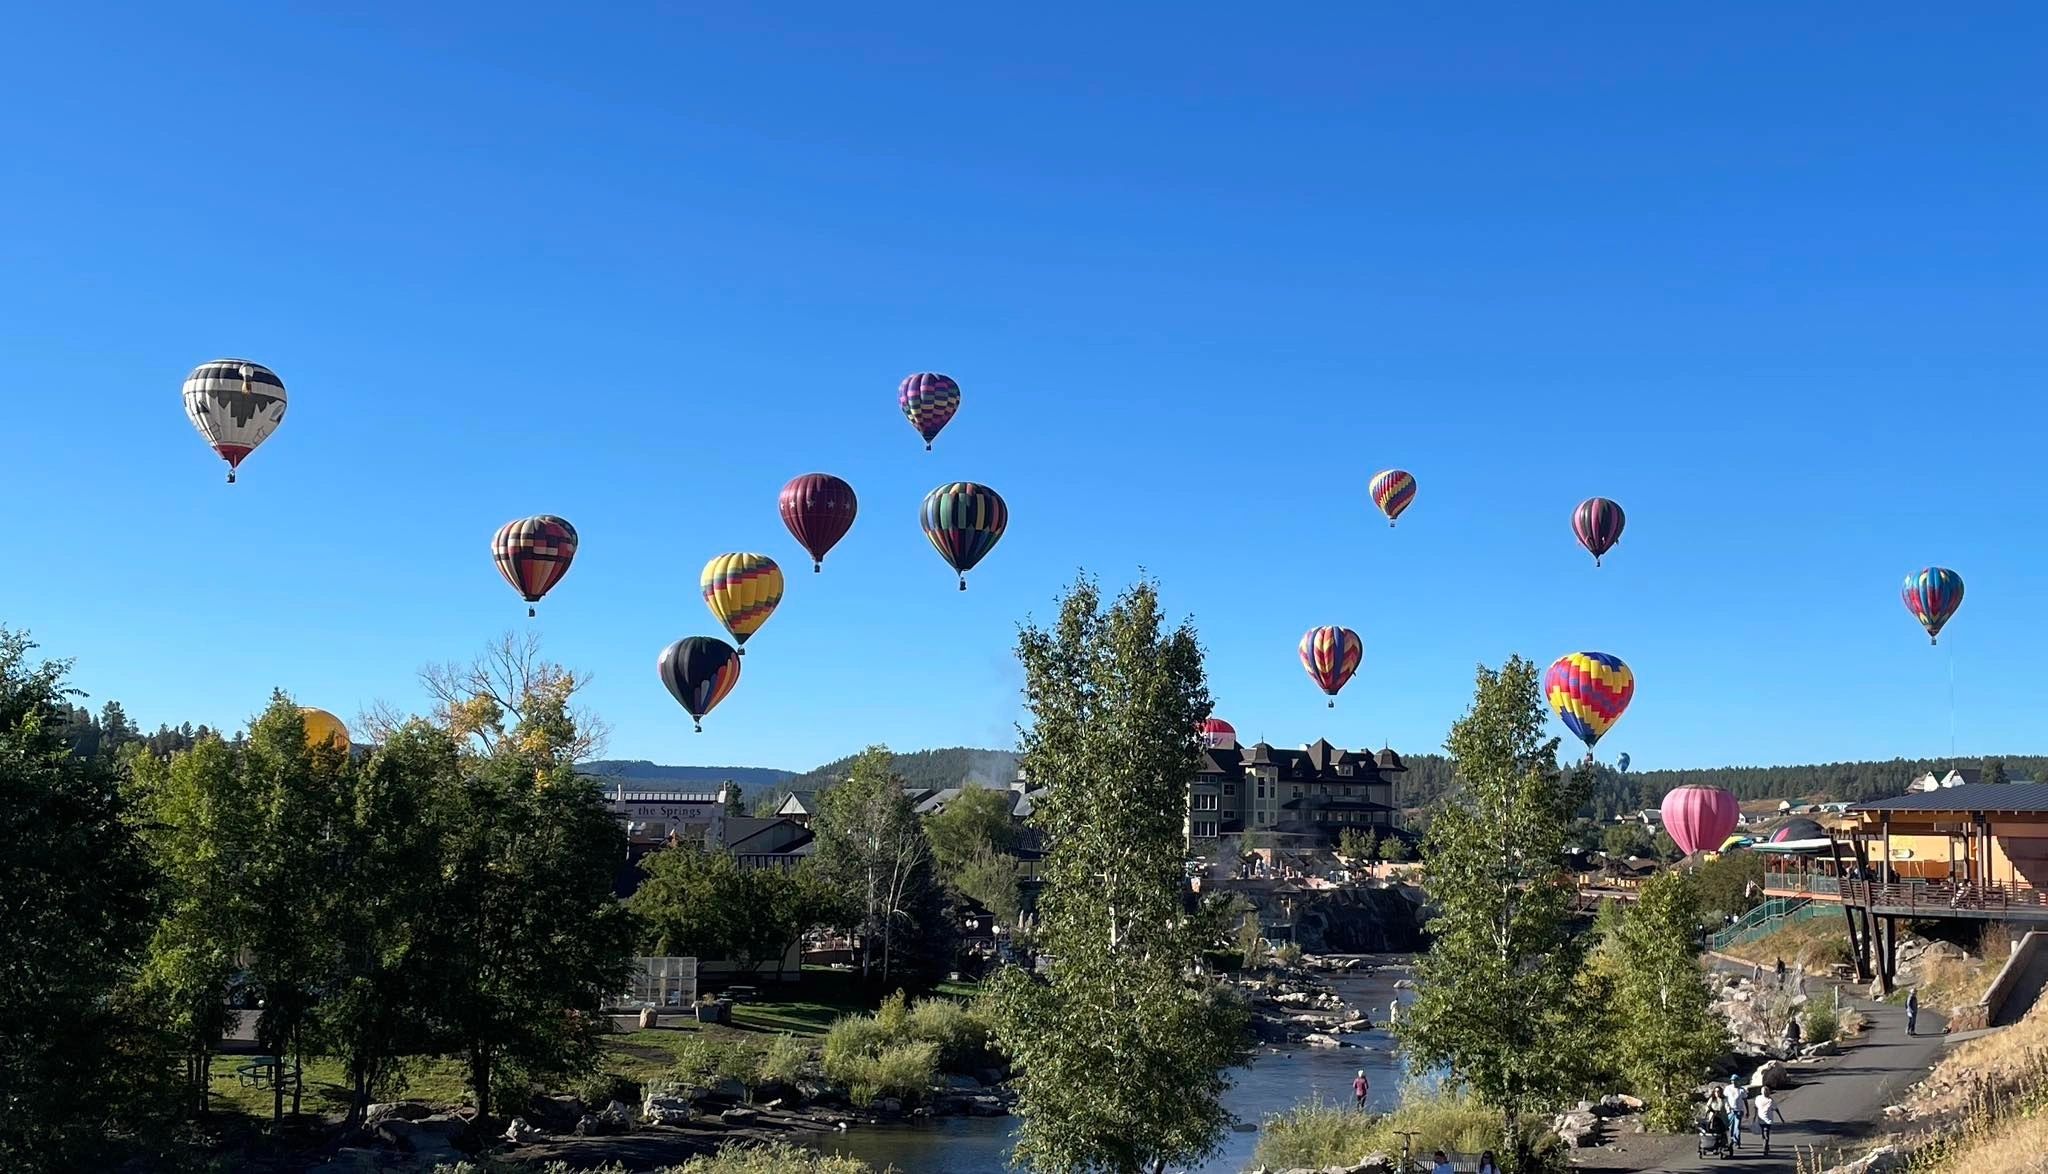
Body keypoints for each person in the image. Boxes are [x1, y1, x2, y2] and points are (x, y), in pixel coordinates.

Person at [1754, 1089, 1786, 1154]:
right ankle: (1766, 1144)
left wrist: (1781, 1118)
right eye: (1764, 1092)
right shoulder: (1759, 1098)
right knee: (1764, 1134)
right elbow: (1756, 1107)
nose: (1765, 1093)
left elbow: (1776, 1109)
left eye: (1766, 1092)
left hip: (1766, 1119)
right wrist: (1754, 1117)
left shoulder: (1769, 1100)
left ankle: (1765, 1146)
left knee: (1765, 1133)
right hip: (1762, 1119)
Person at [1723, 1073, 1749, 1151]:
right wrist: (1726, 1108)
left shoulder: (1741, 1090)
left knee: (1737, 1127)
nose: (1733, 1082)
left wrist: (1747, 1111)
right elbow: (1725, 1099)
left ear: (1738, 1081)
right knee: (1731, 1127)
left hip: (1739, 1110)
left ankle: (1737, 1142)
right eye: (1732, 1080)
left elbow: (1745, 1100)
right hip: (1730, 1110)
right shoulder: (1728, 1088)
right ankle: (1731, 1140)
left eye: (1735, 1080)